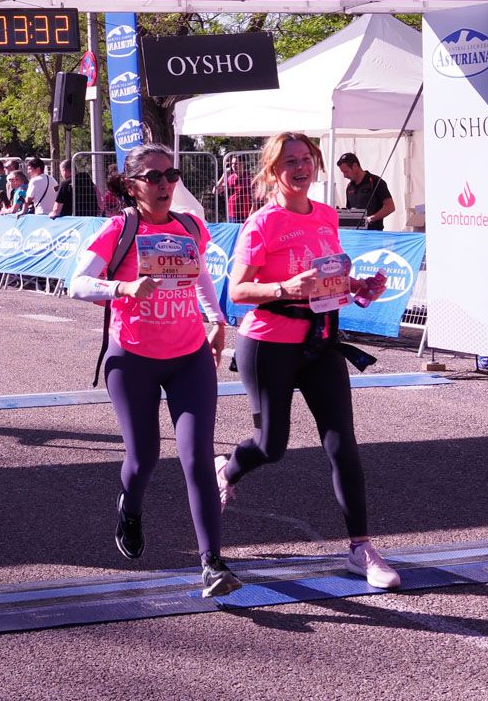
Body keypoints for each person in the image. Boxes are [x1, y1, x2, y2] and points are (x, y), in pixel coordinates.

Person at [219, 132, 398, 589]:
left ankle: (361, 548)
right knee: (271, 445)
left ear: (316, 165)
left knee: (343, 445)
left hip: (320, 341)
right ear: (272, 171)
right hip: (268, 342)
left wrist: (357, 288)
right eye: (288, 161)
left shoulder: (325, 215)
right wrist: (284, 289)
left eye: (306, 159)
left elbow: (329, 273)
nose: (300, 168)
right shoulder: (261, 223)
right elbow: (237, 291)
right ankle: (227, 469)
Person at [67, 144, 238, 596]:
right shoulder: (118, 229)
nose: (164, 184)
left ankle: (212, 563)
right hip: (133, 360)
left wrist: (217, 321)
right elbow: (77, 283)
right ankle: (131, 507)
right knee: (143, 457)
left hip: (189, 357)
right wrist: (123, 287)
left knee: (197, 456)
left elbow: (201, 276)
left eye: (170, 175)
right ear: (130, 184)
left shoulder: (190, 227)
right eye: (152, 176)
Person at [336, 153, 394, 230]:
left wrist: (371, 219)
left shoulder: (376, 182)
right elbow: (349, 210)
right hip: (354, 234)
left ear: (355, 166)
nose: (344, 176)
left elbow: (390, 207)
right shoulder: (349, 187)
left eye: (346, 172)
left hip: (372, 234)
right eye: (343, 172)